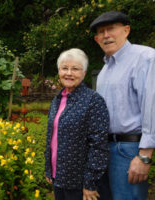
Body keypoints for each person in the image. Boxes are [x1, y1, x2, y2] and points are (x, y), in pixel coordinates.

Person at [90, 11, 155, 200]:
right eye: (101, 32)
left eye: (111, 29)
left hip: (129, 150)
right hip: (105, 150)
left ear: (126, 30)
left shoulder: (146, 58)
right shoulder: (104, 71)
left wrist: (145, 155)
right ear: (96, 39)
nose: (106, 35)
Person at [44, 48, 110, 200]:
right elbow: (51, 137)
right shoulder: (58, 99)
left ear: (84, 73)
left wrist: (90, 182)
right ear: (59, 71)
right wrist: (49, 169)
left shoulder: (93, 101)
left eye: (75, 69)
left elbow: (99, 145)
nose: (69, 73)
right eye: (64, 68)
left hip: (79, 182)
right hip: (58, 177)